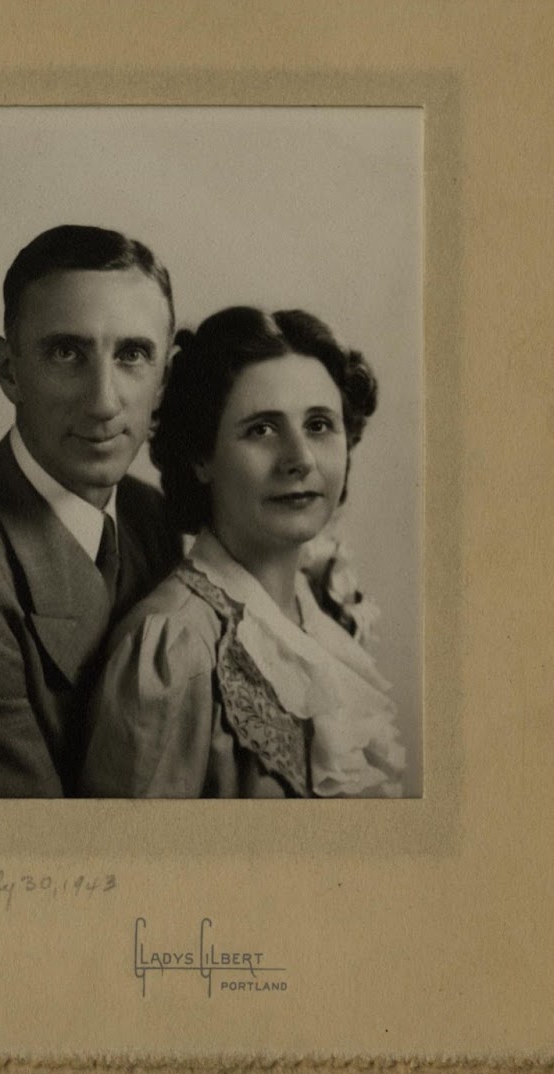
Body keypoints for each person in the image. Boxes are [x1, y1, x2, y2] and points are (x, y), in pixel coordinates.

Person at [80, 306, 405, 799]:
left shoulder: (316, 609)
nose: (299, 459)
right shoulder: (174, 648)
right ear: (201, 456)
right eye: (262, 430)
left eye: (319, 425)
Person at [0, 225, 183, 798]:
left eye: (133, 355)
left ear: (164, 378)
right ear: (9, 370)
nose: (104, 402)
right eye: (67, 353)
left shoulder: (150, 514)